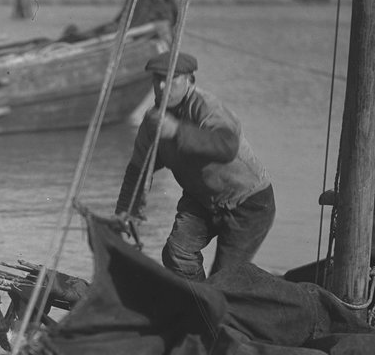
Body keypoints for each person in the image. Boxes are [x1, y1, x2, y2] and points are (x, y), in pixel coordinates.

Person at [115, 50, 274, 280]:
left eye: (170, 79)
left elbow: (226, 146)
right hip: (203, 200)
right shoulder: (153, 121)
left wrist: (177, 131)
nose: (162, 87)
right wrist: (126, 211)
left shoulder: (206, 106)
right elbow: (139, 169)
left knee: (226, 278)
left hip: (248, 203)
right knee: (176, 254)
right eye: (157, 79)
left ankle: (215, 303)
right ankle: (197, 303)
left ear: (190, 81)